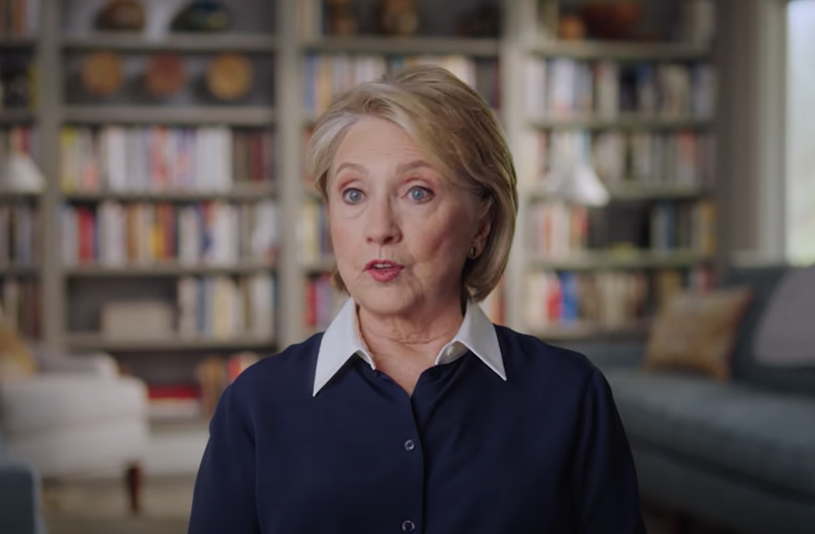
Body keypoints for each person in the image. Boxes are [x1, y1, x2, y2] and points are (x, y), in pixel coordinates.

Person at [188, 65, 645, 534]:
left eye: (417, 191)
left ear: (481, 224)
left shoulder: (571, 395)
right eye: (353, 193)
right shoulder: (255, 404)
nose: (379, 227)